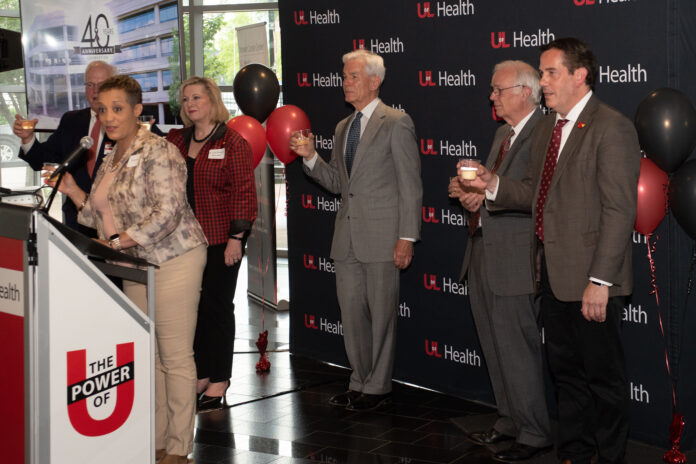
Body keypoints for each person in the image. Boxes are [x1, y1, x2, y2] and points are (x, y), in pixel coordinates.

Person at [469, 38, 640, 464]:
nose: (543, 81)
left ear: (579, 75)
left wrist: (601, 281)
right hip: (550, 276)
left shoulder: (611, 125)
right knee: (567, 380)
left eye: (550, 73)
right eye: (542, 73)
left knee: (603, 382)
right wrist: (491, 183)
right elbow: (532, 194)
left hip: (591, 281)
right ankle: (576, 456)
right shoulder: (549, 126)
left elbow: (619, 210)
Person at [45, 75, 207, 464]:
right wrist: (70, 190)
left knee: (174, 356)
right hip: (134, 262)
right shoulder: (108, 156)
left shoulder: (160, 151)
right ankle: (156, 440)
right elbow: (94, 216)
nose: (109, 117)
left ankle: (180, 446)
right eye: (103, 110)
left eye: (118, 108)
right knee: (149, 356)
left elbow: (166, 214)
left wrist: (118, 242)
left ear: (137, 110)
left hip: (174, 258)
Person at [289, 49, 422, 411]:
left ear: (374, 81)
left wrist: (406, 237)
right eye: (344, 76)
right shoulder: (342, 127)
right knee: (352, 316)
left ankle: (378, 388)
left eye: (352, 76)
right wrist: (311, 158)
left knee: (381, 316)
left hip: (383, 237)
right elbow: (336, 183)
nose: (344, 82)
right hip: (345, 239)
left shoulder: (396, 122)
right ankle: (359, 380)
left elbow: (410, 186)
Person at [448, 60, 551, 461]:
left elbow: (536, 195)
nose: (491, 96)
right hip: (482, 252)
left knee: (518, 349)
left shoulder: (545, 132)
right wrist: (471, 193)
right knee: (494, 345)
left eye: (498, 90)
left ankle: (534, 432)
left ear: (525, 92)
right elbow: (495, 191)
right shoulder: (502, 134)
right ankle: (509, 420)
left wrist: (489, 187)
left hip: (516, 259)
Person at [166, 76, 257, 412]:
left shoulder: (232, 142)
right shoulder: (175, 140)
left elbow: (245, 193)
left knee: (217, 309)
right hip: (182, 243)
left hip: (221, 241)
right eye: (185, 99)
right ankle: (202, 374)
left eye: (197, 98)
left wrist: (237, 238)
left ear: (212, 100)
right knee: (194, 310)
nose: (190, 104)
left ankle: (219, 378)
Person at [14, 60, 116, 235]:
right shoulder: (71, 120)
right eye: (90, 85)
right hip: (76, 224)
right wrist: (28, 138)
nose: (95, 91)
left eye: (102, 85)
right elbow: (44, 159)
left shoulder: (128, 124)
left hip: (117, 223)